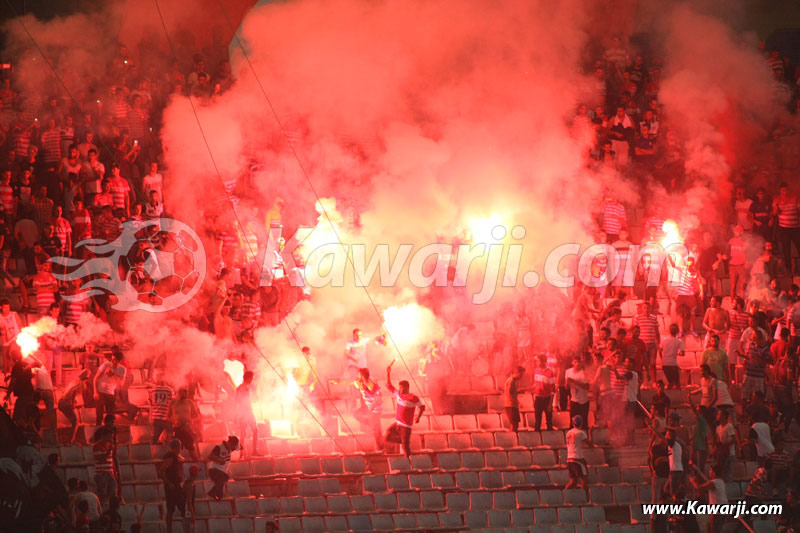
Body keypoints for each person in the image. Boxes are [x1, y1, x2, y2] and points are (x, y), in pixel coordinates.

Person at [385, 360, 425, 457]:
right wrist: (388, 372)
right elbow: (389, 386)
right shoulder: (398, 394)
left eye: (401, 388)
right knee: (387, 436)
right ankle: (403, 441)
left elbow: (422, 406)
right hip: (397, 423)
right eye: (399, 388)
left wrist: (418, 417)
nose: (400, 389)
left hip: (406, 426)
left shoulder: (413, 397)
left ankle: (409, 463)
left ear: (406, 388)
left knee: (405, 448)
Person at [351, 367, 384, 449]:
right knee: (356, 413)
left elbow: (379, 398)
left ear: (362, 376)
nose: (357, 376)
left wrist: (373, 406)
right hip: (370, 408)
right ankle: (370, 424)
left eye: (358, 374)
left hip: (376, 410)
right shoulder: (359, 383)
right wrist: (337, 383)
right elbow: (349, 383)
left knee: (376, 430)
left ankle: (380, 448)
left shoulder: (371, 385)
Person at [689, 466, 727, 533]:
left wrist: (692, 480)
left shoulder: (714, 482)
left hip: (717, 512)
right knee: (709, 528)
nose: (709, 472)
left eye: (710, 471)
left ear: (714, 473)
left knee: (713, 530)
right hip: (719, 511)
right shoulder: (720, 481)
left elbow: (699, 488)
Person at [90, 414, 118, 505]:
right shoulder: (97, 446)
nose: (111, 439)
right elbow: (100, 458)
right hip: (101, 474)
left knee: (112, 491)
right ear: (105, 436)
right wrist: (109, 451)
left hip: (110, 473)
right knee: (103, 493)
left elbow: (111, 459)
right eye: (110, 436)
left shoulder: (109, 445)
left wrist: (114, 471)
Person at [94, 349, 126, 425]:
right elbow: (95, 378)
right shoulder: (105, 365)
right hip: (100, 392)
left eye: (114, 360)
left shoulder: (123, 369)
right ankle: (97, 432)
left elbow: (121, 384)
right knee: (99, 414)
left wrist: (113, 374)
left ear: (120, 361)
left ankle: (109, 432)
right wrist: (95, 392)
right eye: (112, 360)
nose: (112, 362)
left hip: (110, 393)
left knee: (110, 415)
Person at [58, 369, 90, 444]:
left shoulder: (74, 381)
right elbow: (73, 393)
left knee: (74, 421)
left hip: (61, 401)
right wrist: (72, 403)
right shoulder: (82, 384)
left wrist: (73, 401)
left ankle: (71, 439)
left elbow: (67, 392)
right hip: (66, 403)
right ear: (87, 378)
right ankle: (71, 441)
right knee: (75, 422)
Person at [159, 440, 184, 533]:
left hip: (177, 486)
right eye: (180, 447)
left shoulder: (176, 457)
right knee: (170, 510)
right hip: (171, 488)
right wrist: (169, 483)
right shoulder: (170, 457)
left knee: (183, 507)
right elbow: (161, 472)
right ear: (177, 447)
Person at [565, 415, 593, 498]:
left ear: (573, 423)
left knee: (573, 481)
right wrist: (591, 433)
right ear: (582, 423)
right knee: (584, 480)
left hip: (569, 458)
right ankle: (586, 498)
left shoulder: (568, 433)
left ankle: (564, 495)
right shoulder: (581, 433)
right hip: (578, 458)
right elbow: (590, 444)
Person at [207, 436, 241, 501]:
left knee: (220, 491)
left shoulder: (231, 448)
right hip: (214, 470)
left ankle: (217, 496)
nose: (233, 449)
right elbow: (210, 456)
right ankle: (212, 492)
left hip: (222, 472)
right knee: (224, 477)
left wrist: (237, 440)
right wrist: (219, 460)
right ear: (230, 443)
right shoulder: (219, 447)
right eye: (233, 446)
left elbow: (241, 447)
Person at [236, 370, 260, 456]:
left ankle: (255, 451)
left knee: (255, 430)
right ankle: (241, 453)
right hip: (244, 413)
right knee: (243, 433)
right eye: (252, 378)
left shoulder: (249, 387)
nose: (252, 380)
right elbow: (238, 401)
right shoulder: (240, 388)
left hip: (249, 412)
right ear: (248, 378)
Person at [503, 365, 532, 433]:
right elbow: (509, 392)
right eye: (521, 374)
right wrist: (518, 402)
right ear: (517, 373)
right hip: (511, 405)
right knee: (514, 425)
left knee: (515, 424)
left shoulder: (511, 380)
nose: (521, 377)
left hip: (512, 405)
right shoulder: (511, 381)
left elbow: (512, 392)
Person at [149, 372, 175, 444]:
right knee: (170, 436)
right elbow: (173, 403)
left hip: (155, 417)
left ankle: (153, 453)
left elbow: (151, 403)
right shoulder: (170, 390)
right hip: (166, 417)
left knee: (154, 438)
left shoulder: (152, 390)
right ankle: (168, 451)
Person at [565, 356, 590, 428]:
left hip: (583, 401)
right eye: (575, 362)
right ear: (572, 362)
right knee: (572, 422)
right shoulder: (568, 371)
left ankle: (584, 438)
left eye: (579, 362)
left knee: (584, 423)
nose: (577, 364)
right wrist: (567, 383)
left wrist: (574, 382)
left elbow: (587, 387)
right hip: (574, 400)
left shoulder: (584, 373)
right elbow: (566, 387)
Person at [532, 354, 555, 431]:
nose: (536, 363)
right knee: (537, 420)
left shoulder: (550, 372)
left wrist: (550, 404)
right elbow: (535, 385)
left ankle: (550, 437)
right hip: (538, 398)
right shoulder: (536, 371)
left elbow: (552, 390)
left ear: (543, 362)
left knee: (549, 420)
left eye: (538, 361)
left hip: (546, 399)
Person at [659, 324, 684, 389]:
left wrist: (662, 359)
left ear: (669, 331)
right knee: (677, 383)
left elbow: (659, 351)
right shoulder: (679, 341)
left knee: (670, 382)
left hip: (664, 364)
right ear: (677, 331)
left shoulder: (664, 340)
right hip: (673, 364)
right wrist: (677, 353)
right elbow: (682, 353)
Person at [183, 465, 200, 533]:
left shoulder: (188, 482)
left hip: (187, 509)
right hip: (188, 510)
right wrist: (192, 514)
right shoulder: (190, 484)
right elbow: (189, 501)